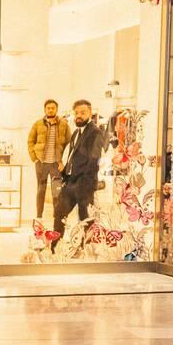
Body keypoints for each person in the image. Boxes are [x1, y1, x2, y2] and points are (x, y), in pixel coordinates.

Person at [52, 99, 104, 248]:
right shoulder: (76, 132)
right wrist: (66, 174)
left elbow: (94, 160)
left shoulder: (95, 132)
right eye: (77, 113)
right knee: (59, 213)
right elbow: (72, 156)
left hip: (85, 183)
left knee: (85, 218)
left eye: (83, 112)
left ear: (90, 113)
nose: (79, 116)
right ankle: (55, 247)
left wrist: (84, 182)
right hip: (71, 181)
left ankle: (86, 248)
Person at [29, 99, 69, 218]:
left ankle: (56, 215)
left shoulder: (64, 124)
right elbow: (30, 141)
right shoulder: (37, 124)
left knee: (56, 191)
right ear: (45, 109)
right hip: (41, 164)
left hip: (56, 165)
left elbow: (69, 144)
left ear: (56, 109)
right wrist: (35, 159)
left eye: (53, 108)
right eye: (48, 108)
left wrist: (64, 162)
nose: (50, 110)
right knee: (41, 190)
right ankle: (39, 216)